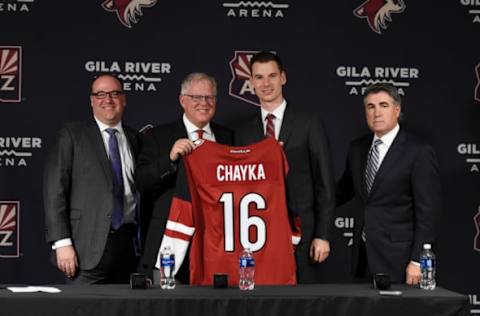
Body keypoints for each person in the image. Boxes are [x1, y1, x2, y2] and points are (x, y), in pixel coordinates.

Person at [235, 51, 336, 283]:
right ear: (251, 82)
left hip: (304, 235)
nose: (266, 83)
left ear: (283, 77)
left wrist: (322, 235)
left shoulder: (308, 123)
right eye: (259, 77)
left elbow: (325, 183)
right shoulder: (243, 132)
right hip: (257, 235)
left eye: (272, 75)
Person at [336, 83, 442, 284]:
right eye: (370, 106)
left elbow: (428, 212)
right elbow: (343, 191)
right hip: (363, 256)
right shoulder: (357, 148)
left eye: (383, 105)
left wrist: (418, 261)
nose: (377, 113)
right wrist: (309, 201)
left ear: (397, 109)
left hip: (400, 259)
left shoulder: (418, 151)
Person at [43, 73, 142, 284]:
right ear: (91, 101)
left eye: (115, 93)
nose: (108, 100)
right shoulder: (72, 134)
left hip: (129, 247)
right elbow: (55, 190)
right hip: (84, 249)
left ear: (124, 99)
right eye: (100, 94)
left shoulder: (136, 139)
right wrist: (61, 242)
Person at [136, 72, 233, 283]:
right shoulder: (158, 137)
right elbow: (142, 182)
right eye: (196, 97)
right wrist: (170, 159)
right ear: (182, 100)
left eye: (210, 98)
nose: (204, 103)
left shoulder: (229, 137)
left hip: (217, 245)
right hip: (172, 243)